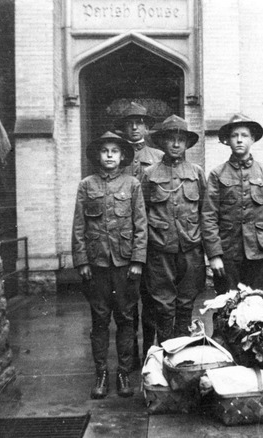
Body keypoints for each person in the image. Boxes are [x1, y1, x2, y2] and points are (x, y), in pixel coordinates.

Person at [71, 131, 147, 399]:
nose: (110, 155)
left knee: (126, 319)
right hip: (97, 265)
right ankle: (101, 372)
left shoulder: (132, 184)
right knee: (100, 319)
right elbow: (79, 226)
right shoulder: (86, 185)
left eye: (115, 151)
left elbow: (141, 225)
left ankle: (124, 372)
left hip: (126, 265)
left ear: (123, 156)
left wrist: (138, 260)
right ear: (98, 156)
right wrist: (81, 262)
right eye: (105, 151)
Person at [202, 113, 263, 294]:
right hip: (228, 254)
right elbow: (209, 216)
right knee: (227, 307)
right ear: (227, 140)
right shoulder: (217, 174)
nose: (239, 140)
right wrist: (214, 255)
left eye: (244, 135)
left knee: (258, 308)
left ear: (253, 139)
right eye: (234, 136)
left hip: (260, 254)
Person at [141, 115, 207, 344]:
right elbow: (142, 213)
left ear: (187, 143)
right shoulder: (149, 174)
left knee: (186, 301)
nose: (176, 144)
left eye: (181, 139)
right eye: (171, 139)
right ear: (162, 143)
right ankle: (165, 352)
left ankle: (183, 351)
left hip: (190, 247)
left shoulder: (197, 173)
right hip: (160, 249)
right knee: (163, 303)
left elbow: (204, 212)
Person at [113, 101, 163, 369]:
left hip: (153, 237)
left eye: (139, 122)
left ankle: (149, 353)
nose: (134, 127)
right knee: (126, 301)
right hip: (123, 239)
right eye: (129, 123)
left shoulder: (158, 157)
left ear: (146, 126)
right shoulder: (115, 157)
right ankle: (129, 354)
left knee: (152, 298)